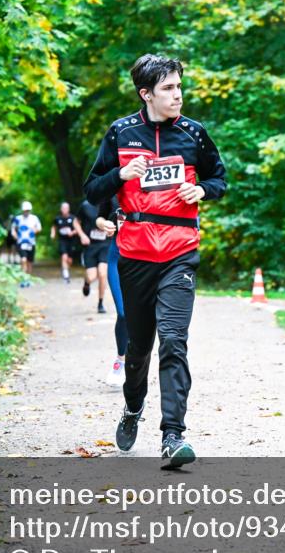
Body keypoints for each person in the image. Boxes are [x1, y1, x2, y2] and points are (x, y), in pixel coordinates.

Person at [83, 54, 227, 469]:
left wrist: (202, 192)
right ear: (146, 94)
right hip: (134, 252)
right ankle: (132, 408)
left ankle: (172, 435)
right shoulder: (121, 133)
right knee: (139, 348)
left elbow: (219, 178)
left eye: (179, 87)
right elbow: (92, 190)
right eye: (168, 89)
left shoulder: (194, 134)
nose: (177, 95)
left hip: (181, 250)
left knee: (174, 341)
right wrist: (121, 177)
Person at [95, 196, 127, 387]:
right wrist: (105, 223)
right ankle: (120, 361)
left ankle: (138, 362)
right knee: (123, 313)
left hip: (143, 259)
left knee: (142, 314)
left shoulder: (152, 182)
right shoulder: (114, 184)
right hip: (117, 256)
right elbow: (99, 217)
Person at [77, 199, 110, 313]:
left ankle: (100, 303)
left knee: (102, 273)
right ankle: (87, 283)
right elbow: (76, 222)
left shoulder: (110, 203)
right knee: (92, 276)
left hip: (105, 244)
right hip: (90, 246)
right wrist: (82, 235)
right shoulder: (86, 205)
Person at [10, 201, 41, 287]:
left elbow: (39, 228)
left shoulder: (34, 218)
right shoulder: (18, 219)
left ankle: (28, 279)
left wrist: (34, 231)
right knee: (23, 260)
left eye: (27, 210)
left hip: (31, 243)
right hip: (21, 242)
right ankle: (23, 279)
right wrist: (15, 236)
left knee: (29, 262)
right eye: (25, 210)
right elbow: (13, 229)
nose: (26, 212)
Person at [50, 202, 79, 284]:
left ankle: (67, 270)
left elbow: (79, 229)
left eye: (66, 208)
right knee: (64, 257)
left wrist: (73, 232)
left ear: (68, 209)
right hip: (62, 240)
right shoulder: (57, 219)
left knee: (69, 260)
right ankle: (66, 275)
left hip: (72, 241)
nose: (64, 210)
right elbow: (54, 227)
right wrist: (53, 234)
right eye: (63, 208)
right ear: (61, 209)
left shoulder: (73, 218)